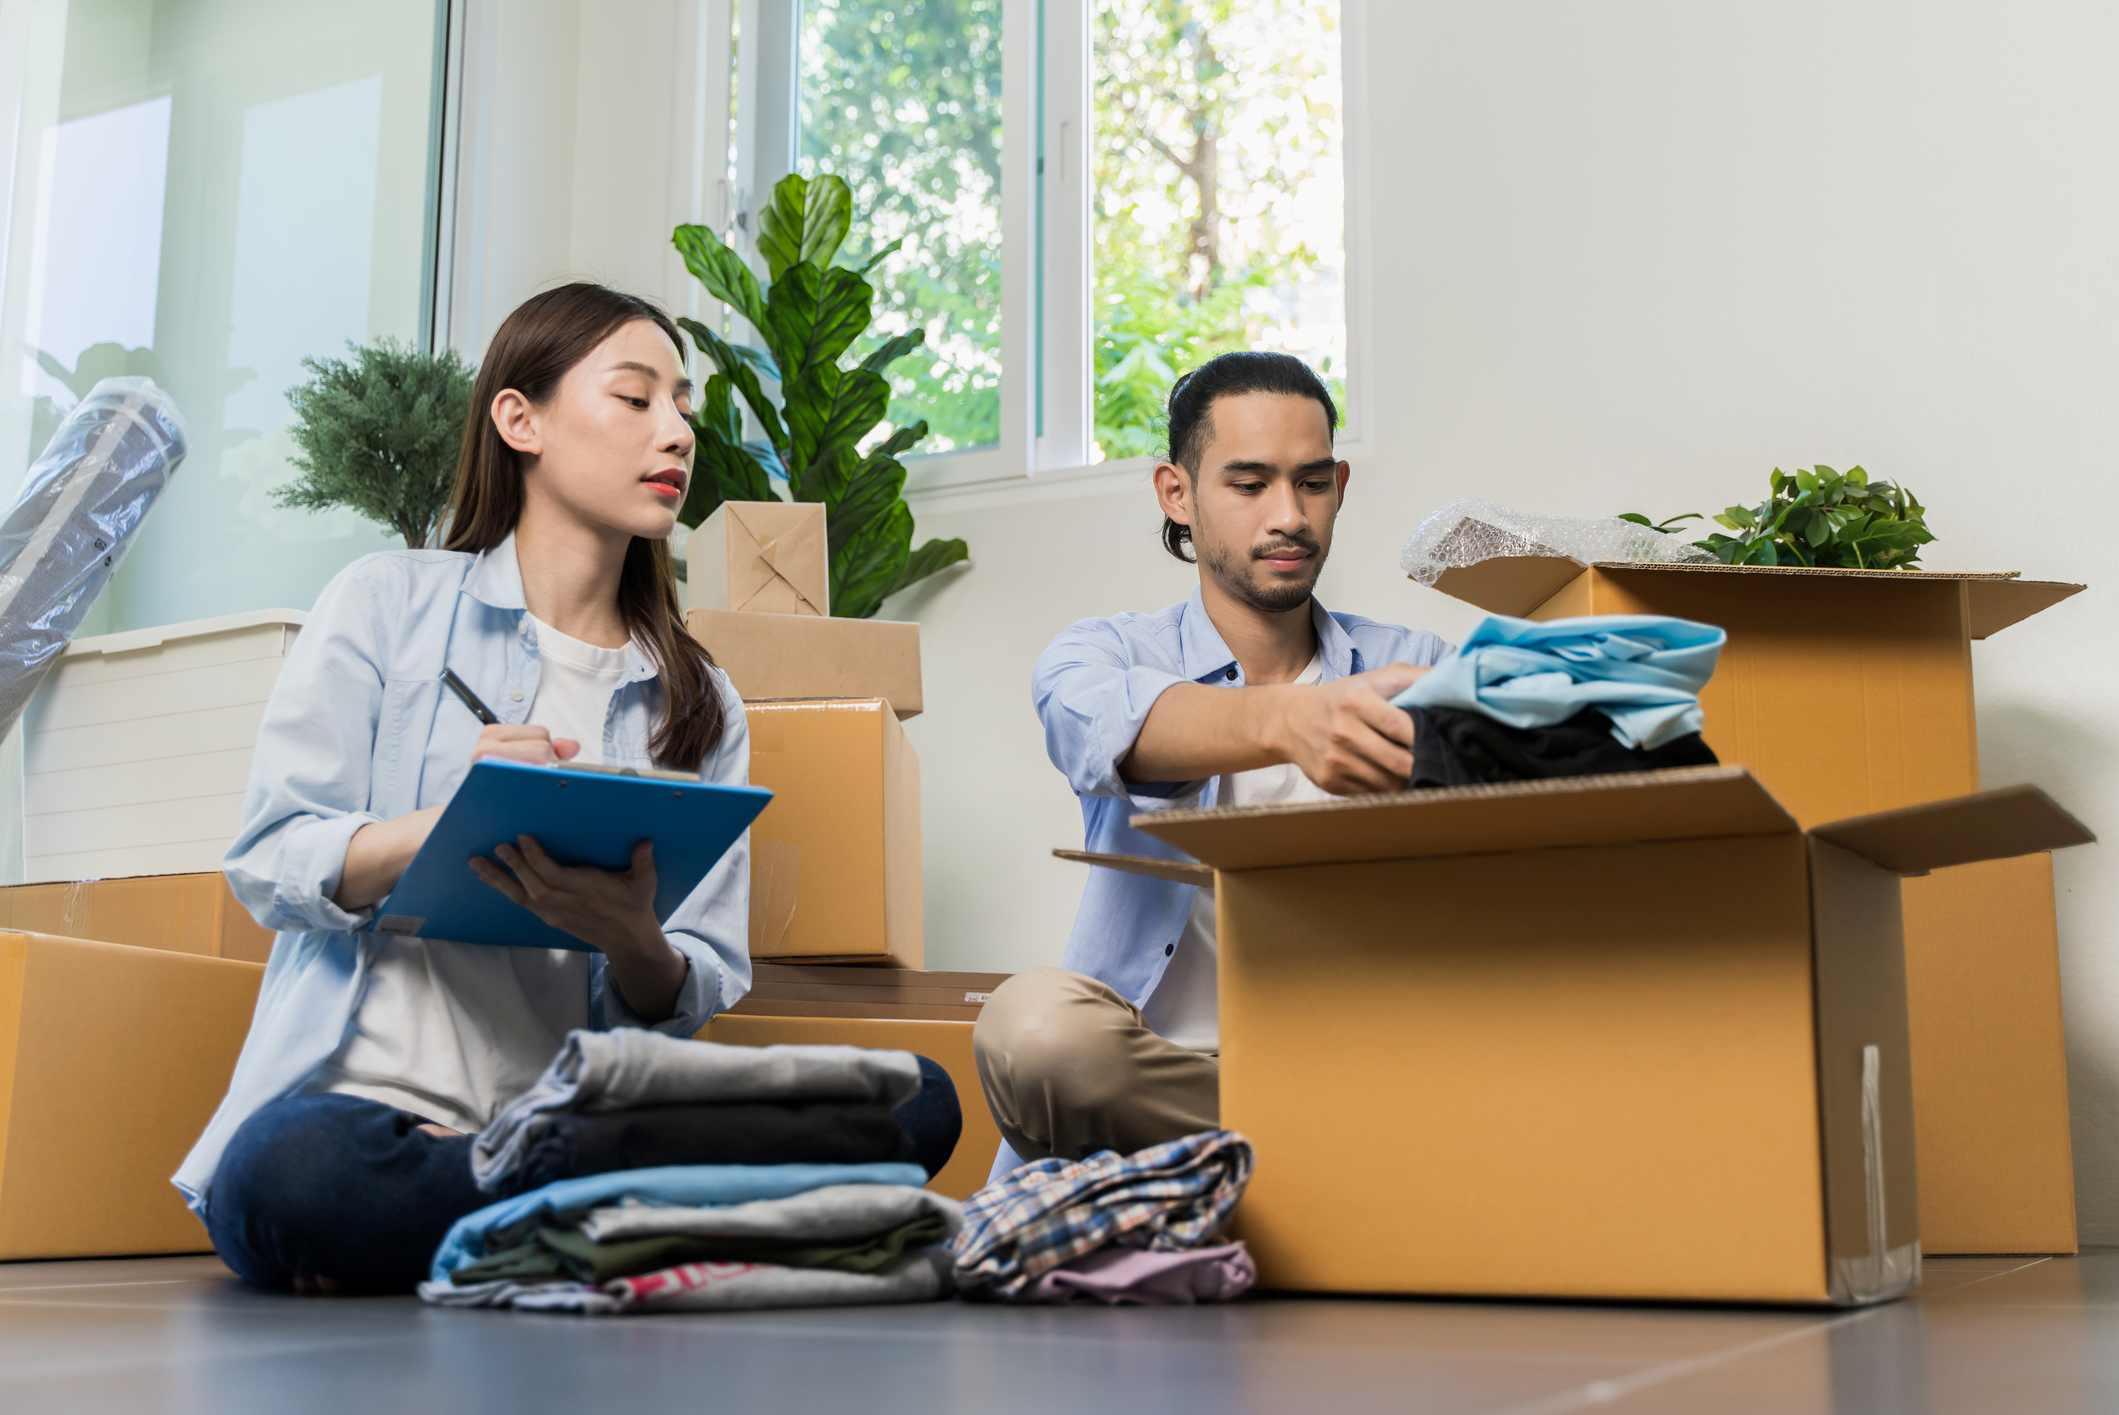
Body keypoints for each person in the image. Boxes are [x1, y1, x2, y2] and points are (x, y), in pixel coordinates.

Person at [176, 283, 958, 1293]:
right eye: (635, 398)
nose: (675, 432)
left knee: (914, 1098)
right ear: (521, 419)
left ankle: (551, 1193)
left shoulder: (700, 699)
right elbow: (271, 858)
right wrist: (441, 825)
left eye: (682, 406)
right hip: (364, 1115)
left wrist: (632, 935)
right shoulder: (386, 603)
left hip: (571, 1107)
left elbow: (692, 985)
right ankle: (613, 1205)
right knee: (290, 1179)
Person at [973, 351, 1450, 1172]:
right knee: (1034, 1028)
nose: (1288, 515)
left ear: (1338, 486)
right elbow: (1119, 731)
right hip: (1154, 1092)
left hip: (1353, 1069)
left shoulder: (1414, 664)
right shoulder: (1102, 654)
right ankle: (1293, 1155)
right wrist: (1296, 719)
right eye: (1249, 484)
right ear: (1177, 493)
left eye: (1311, 483)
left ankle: (1308, 1150)